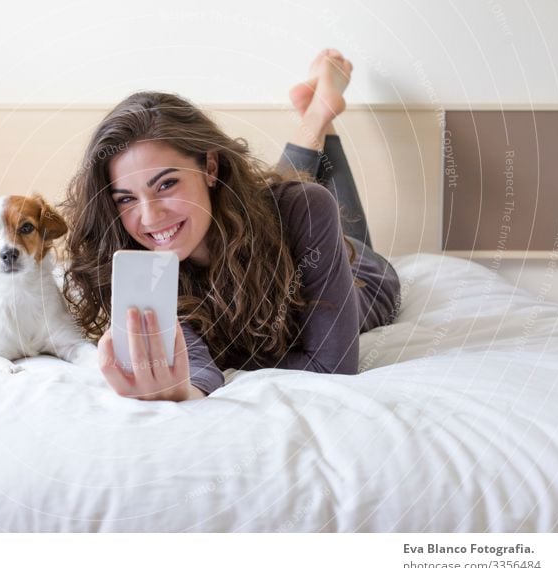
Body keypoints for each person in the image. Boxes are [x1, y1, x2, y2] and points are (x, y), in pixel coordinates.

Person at [61, 49, 401, 402]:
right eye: (126, 198)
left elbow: (333, 368)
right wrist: (182, 389)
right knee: (276, 199)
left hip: (363, 272)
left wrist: (233, 357)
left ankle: (318, 116)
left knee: (301, 202)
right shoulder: (138, 265)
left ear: (210, 167)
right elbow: (197, 368)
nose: (149, 218)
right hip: (270, 218)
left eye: (166, 184)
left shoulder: (305, 211)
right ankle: (318, 115)